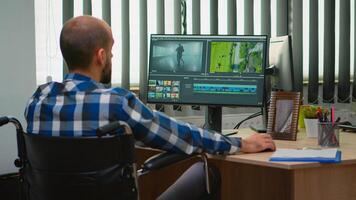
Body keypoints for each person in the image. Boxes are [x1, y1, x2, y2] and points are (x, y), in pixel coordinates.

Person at [24, 16, 275, 199]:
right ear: (100, 55)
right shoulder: (115, 102)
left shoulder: (37, 102)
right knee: (206, 171)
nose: (111, 58)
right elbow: (177, 135)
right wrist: (240, 144)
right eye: (111, 52)